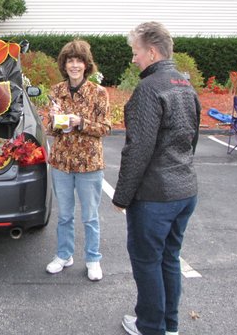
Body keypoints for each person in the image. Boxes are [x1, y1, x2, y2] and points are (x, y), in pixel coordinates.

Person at [112, 22, 201, 335]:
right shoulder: (184, 84)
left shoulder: (149, 89)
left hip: (156, 197)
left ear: (151, 52)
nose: (134, 59)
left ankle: (151, 327)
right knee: (169, 259)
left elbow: (138, 149)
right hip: (184, 191)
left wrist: (121, 196)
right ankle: (169, 325)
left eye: (136, 52)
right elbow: (192, 139)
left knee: (147, 261)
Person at [45, 39, 111, 281]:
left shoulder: (98, 92)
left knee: (90, 216)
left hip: (89, 164)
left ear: (86, 65)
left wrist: (80, 122)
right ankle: (64, 255)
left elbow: (106, 127)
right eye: (70, 61)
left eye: (78, 61)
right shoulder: (56, 91)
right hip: (62, 163)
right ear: (65, 64)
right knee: (64, 215)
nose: (74, 65)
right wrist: (53, 120)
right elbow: (49, 129)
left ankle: (93, 259)